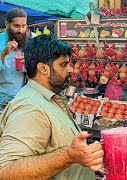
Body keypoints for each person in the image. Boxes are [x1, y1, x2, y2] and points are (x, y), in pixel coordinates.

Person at [0, 35, 104, 179]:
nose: (70, 70)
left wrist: (84, 163)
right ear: (43, 68)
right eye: (63, 64)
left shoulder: (50, 97)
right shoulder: (30, 108)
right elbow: (6, 171)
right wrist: (69, 156)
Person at [0, 8, 33, 106]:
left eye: (23, 26)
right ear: (7, 24)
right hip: (2, 100)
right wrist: (3, 55)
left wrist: (30, 62)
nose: (21, 30)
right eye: (16, 26)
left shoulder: (31, 41)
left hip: (24, 100)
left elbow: (41, 70)